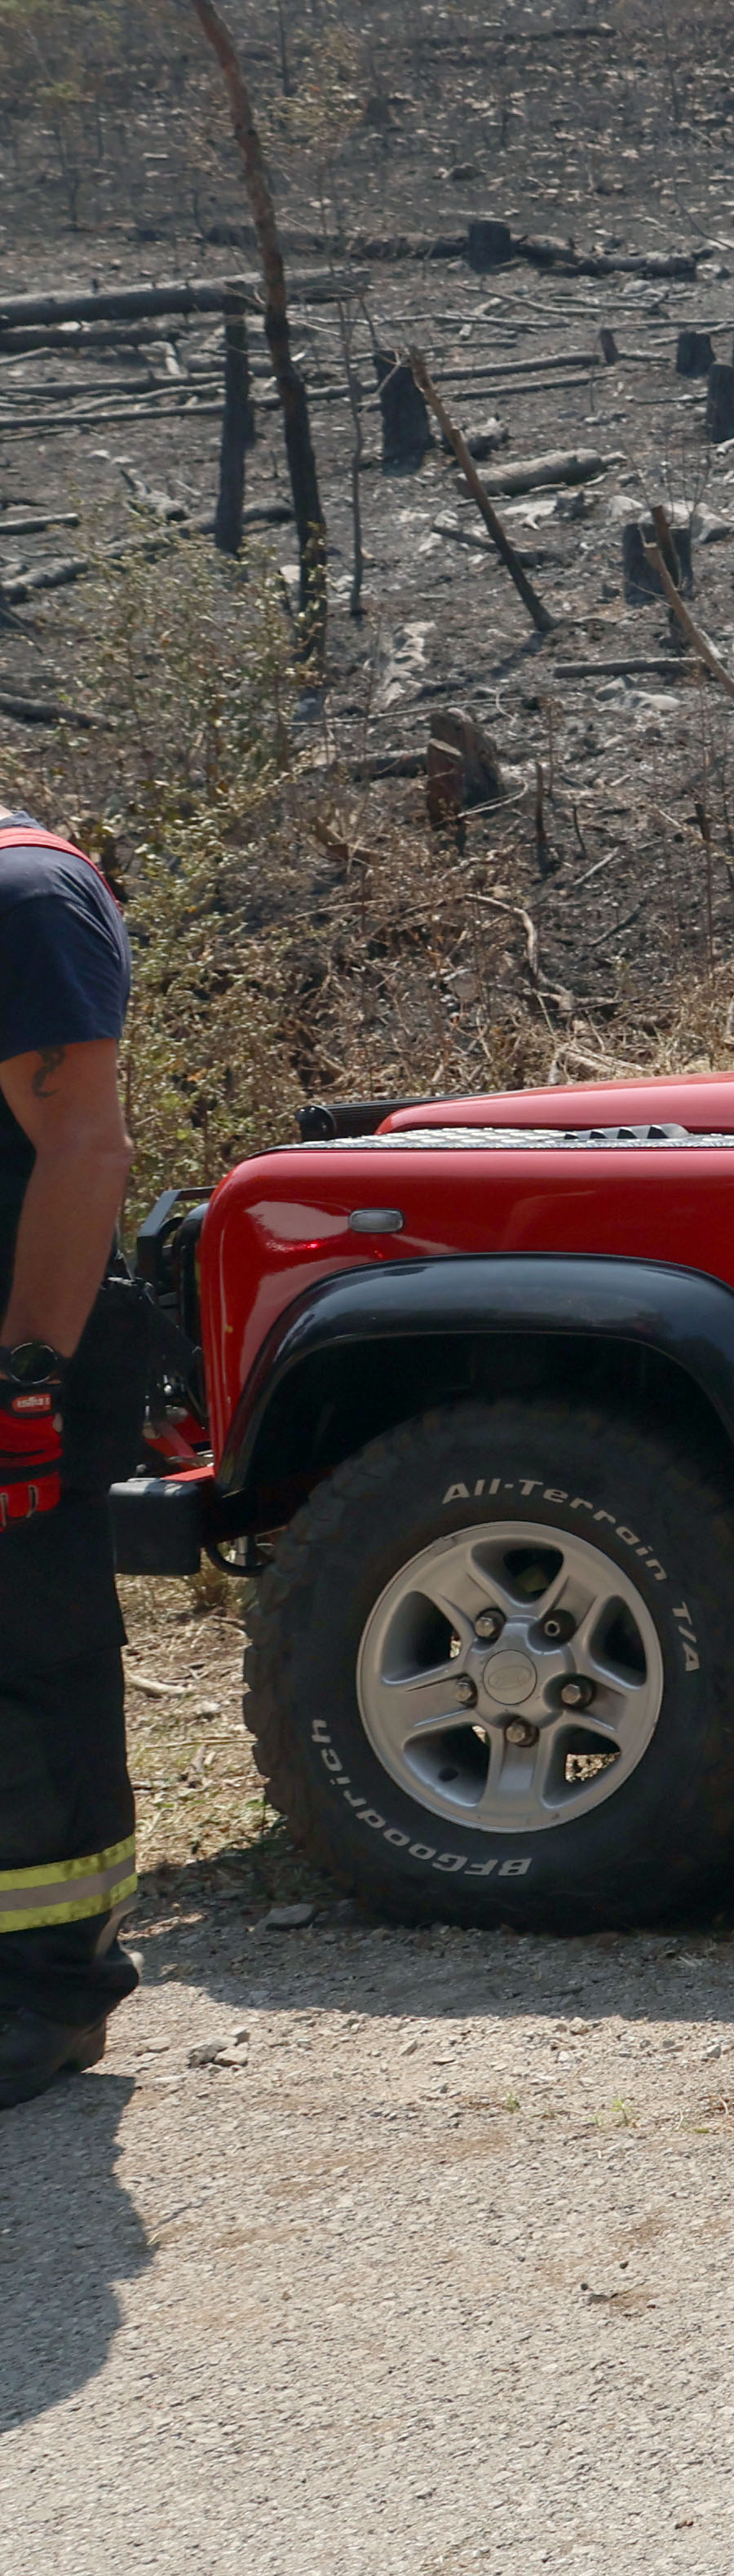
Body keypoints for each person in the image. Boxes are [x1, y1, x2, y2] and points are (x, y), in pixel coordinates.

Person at [0, 803, 139, 2109]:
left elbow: (86, 1146)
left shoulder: (26, 896)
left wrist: (24, 1379)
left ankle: (53, 1991)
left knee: (31, 1669)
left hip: (21, 1359)